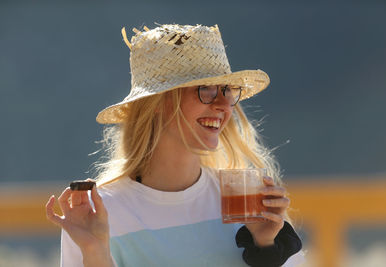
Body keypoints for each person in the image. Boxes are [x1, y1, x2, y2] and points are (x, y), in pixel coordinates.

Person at [46, 24, 304, 267]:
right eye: (205, 90)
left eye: (226, 90)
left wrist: (266, 246)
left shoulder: (246, 201)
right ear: (157, 104)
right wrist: (95, 254)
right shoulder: (99, 215)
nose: (224, 105)